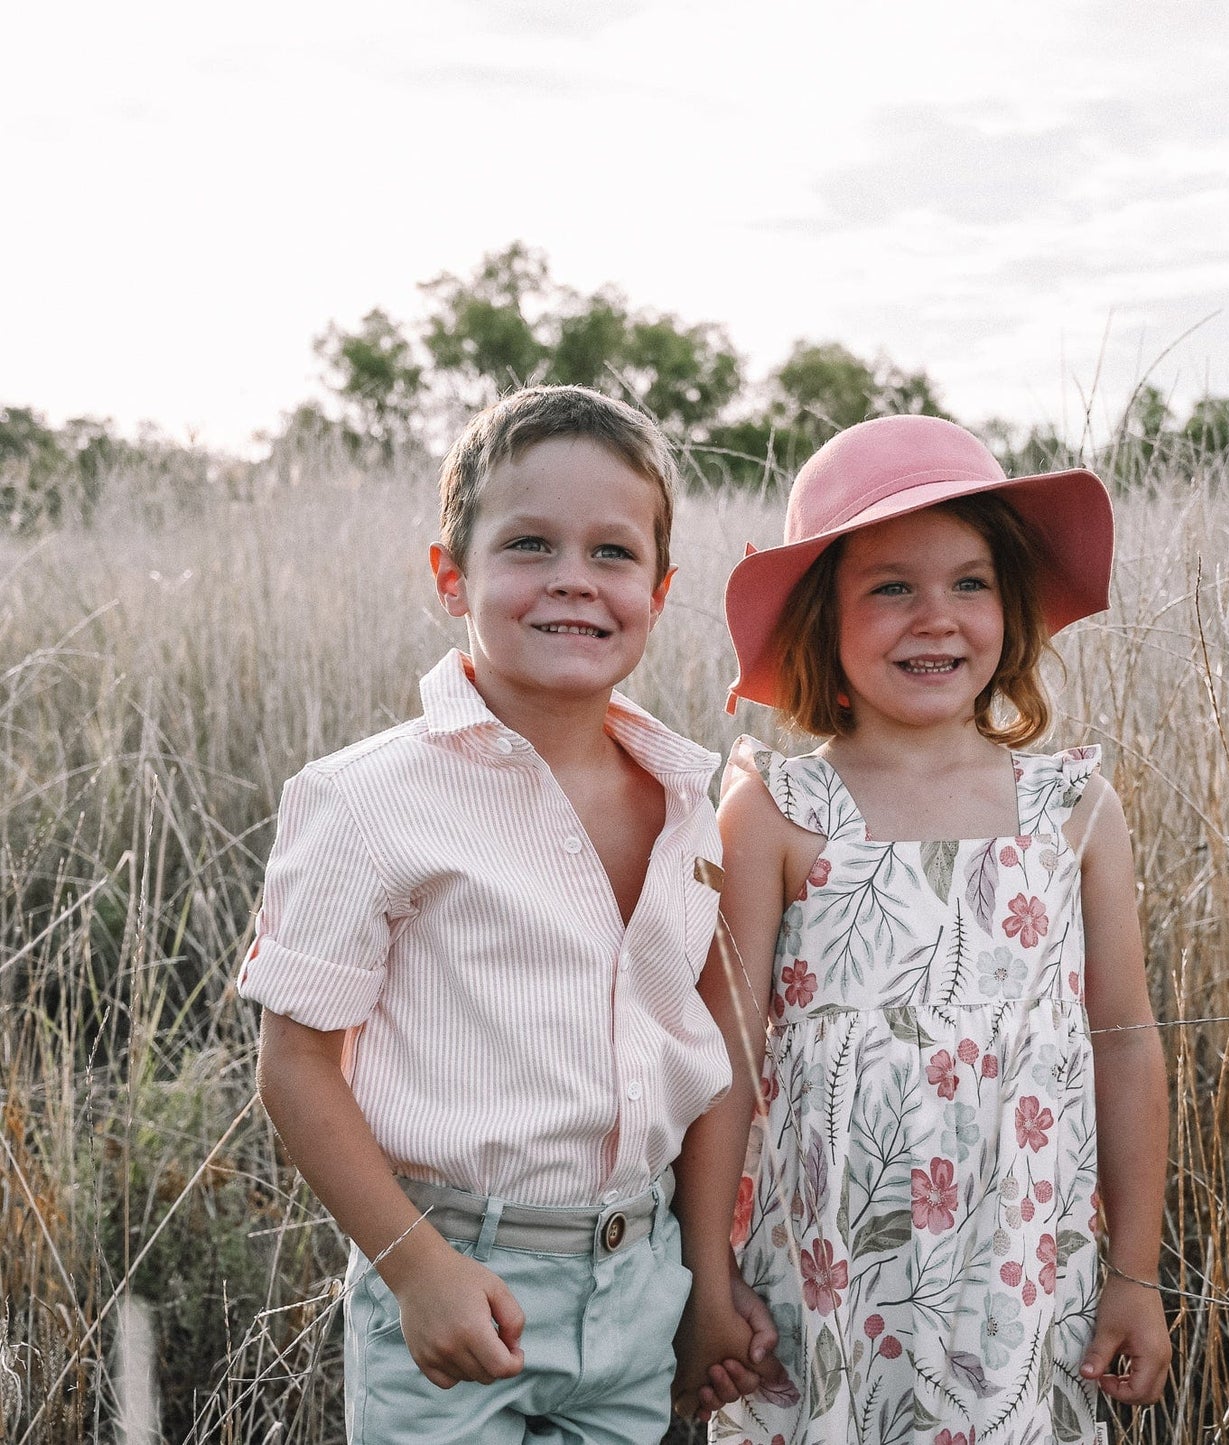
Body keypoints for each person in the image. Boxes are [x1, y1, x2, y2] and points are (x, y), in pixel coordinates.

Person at [239, 385, 775, 1444]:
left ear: (660, 592)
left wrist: (701, 1281)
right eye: (529, 544)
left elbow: (707, 1050)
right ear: (452, 575)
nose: (573, 579)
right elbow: (294, 1065)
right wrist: (415, 1267)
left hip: (638, 1280)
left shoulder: (686, 801)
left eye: (612, 553)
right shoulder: (366, 798)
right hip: (454, 1273)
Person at [672, 414, 1171, 1441]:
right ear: (823, 615)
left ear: (1013, 605)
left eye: (970, 581)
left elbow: (1121, 1038)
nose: (934, 617)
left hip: (1021, 1272)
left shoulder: (1071, 807)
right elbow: (723, 1053)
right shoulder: (778, 807)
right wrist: (704, 1275)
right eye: (890, 585)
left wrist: (1134, 1271)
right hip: (830, 1277)